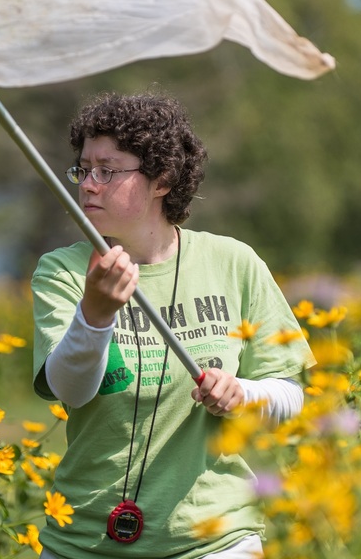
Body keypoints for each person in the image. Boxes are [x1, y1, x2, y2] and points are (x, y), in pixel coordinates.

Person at [31, 91, 315, 559]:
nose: (87, 185)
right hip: (83, 542)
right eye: (83, 169)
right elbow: (71, 390)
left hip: (215, 540)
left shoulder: (234, 263)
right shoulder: (62, 270)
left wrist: (243, 394)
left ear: (162, 179)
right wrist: (95, 315)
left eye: (108, 170)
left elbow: (293, 397)